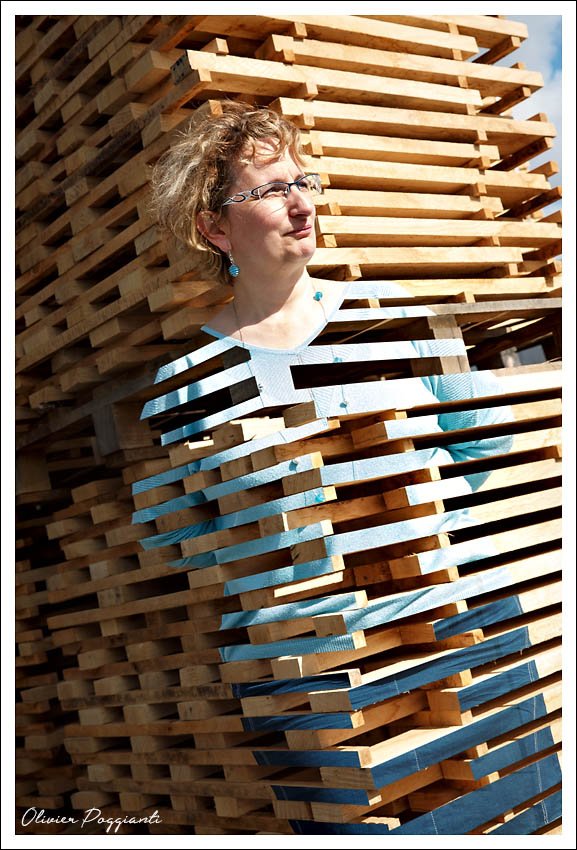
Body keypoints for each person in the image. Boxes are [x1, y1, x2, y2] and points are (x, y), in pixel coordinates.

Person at [134, 99, 514, 597]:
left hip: (461, 611)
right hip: (314, 640)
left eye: (302, 183)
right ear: (215, 228)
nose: (303, 206)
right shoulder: (192, 380)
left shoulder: (387, 315)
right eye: (273, 191)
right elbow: (175, 534)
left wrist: (414, 524)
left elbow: (488, 436)